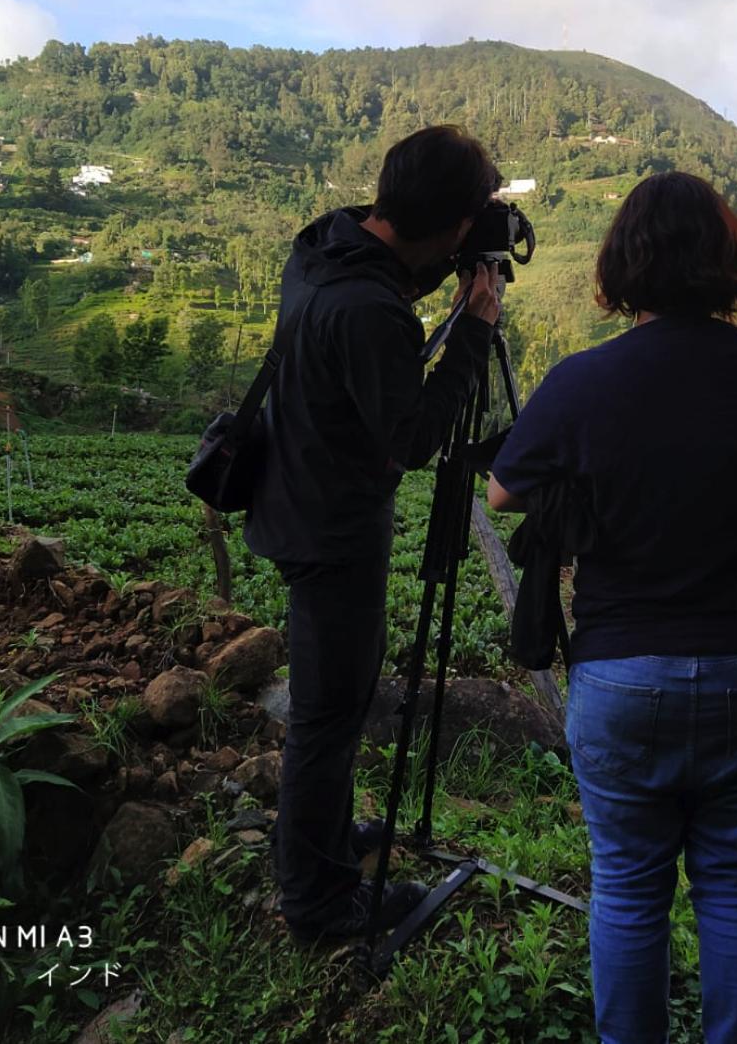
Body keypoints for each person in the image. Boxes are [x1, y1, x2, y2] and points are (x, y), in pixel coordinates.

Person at [487, 171, 737, 1044]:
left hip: (622, 673)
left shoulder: (586, 380)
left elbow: (503, 491)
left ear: (622, 264)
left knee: (628, 888)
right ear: (728, 260)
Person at [245, 124, 502, 943]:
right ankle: (317, 902)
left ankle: (321, 840)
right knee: (328, 715)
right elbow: (414, 439)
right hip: (332, 530)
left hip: (296, 499)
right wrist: (472, 332)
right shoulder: (370, 310)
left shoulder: (328, 244)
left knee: (336, 703)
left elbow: (378, 314)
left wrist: (445, 276)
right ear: (454, 225)